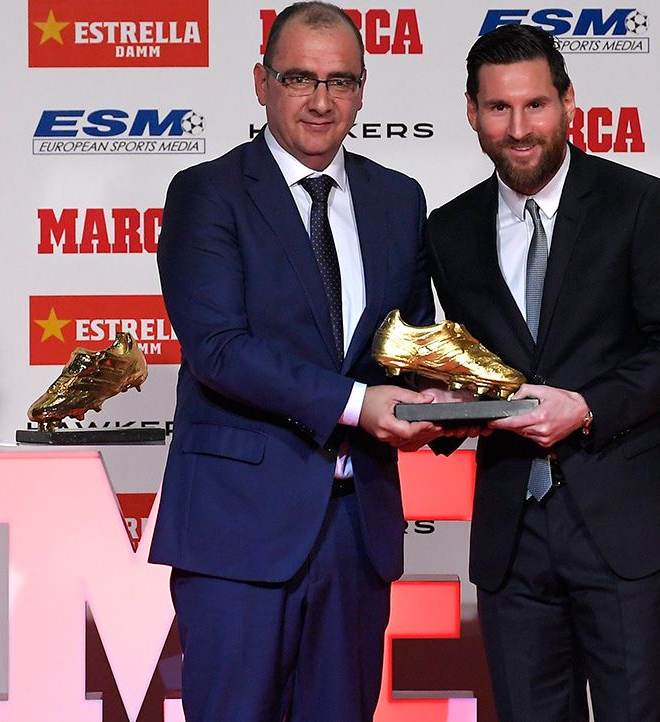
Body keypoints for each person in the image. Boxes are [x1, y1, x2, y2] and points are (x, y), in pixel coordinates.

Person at [148, 3, 447, 720]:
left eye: (340, 81)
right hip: (238, 538)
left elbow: (408, 341)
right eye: (300, 78)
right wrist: (357, 403)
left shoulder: (398, 199)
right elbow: (219, 350)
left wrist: (440, 397)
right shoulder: (207, 193)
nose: (320, 101)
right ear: (261, 82)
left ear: (363, 90)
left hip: (357, 534)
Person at [424, 24, 660, 722]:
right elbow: (466, 366)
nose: (519, 128)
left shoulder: (642, 203)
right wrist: (439, 405)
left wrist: (585, 406)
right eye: (499, 108)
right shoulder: (448, 230)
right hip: (510, 536)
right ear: (472, 112)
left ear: (568, 102)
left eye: (535, 105)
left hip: (624, 525)